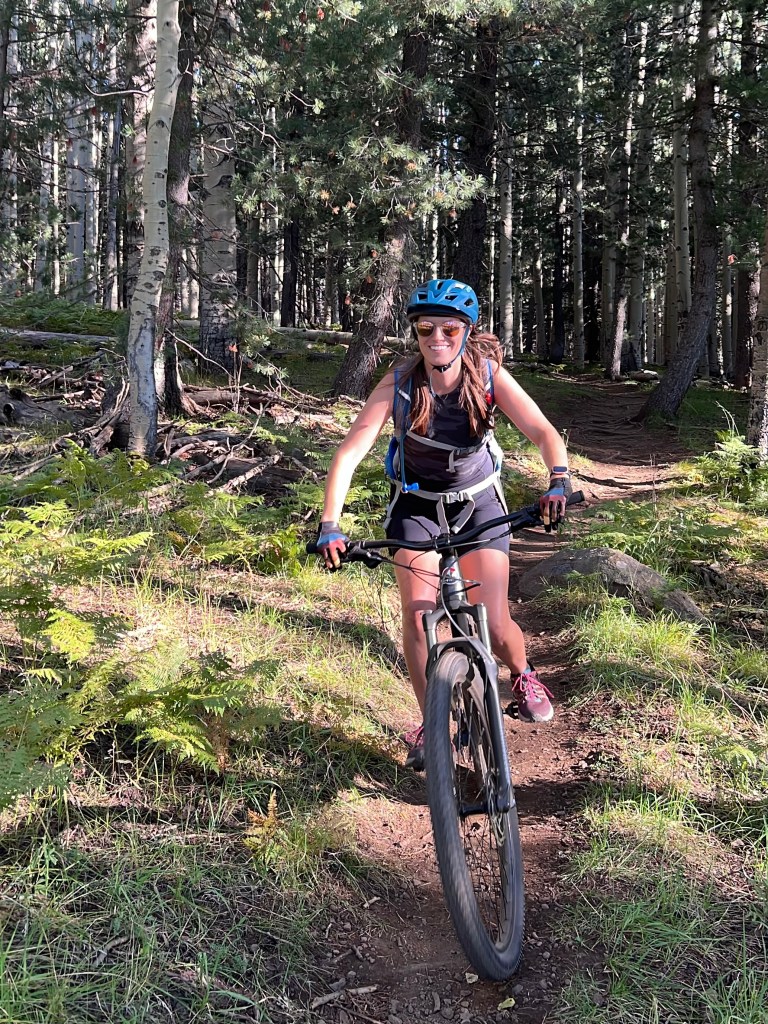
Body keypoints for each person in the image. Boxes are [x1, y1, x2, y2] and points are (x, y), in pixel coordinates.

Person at [316, 279, 572, 771]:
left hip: (478, 505)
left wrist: (557, 479)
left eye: (449, 329)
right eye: (426, 328)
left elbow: (542, 431)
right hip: (416, 508)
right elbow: (350, 452)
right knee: (416, 615)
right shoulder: (399, 383)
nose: (437, 337)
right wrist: (331, 522)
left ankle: (522, 673)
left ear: (466, 331)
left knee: (494, 622)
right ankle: (431, 722)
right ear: (414, 332)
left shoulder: (488, 376)